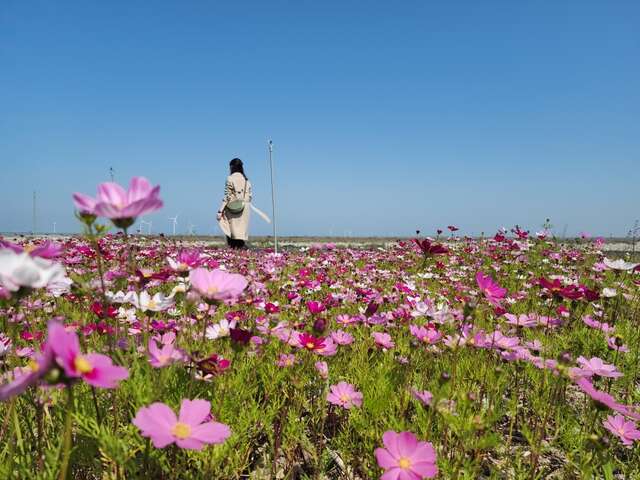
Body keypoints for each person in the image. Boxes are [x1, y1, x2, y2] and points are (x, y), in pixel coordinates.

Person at [217, 158, 252, 248]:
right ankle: (241, 251)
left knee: (231, 231)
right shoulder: (247, 181)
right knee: (240, 232)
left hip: (233, 208)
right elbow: (250, 196)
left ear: (232, 167)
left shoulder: (230, 178)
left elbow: (227, 196)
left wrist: (220, 211)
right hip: (245, 208)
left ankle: (233, 252)